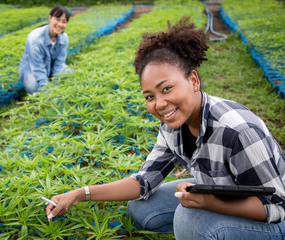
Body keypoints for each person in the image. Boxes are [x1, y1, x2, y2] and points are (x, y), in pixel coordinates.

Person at [45, 17, 285, 239]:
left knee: (189, 219)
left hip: (274, 220)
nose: (159, 104)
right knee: (142, 208)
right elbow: (143, 182)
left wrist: (210, 204)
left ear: (193, 80)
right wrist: (79, 193)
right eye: (150, 96)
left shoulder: (237, 130)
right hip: (224, 193)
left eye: (167, 89)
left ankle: (205, 230)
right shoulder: (172, 126)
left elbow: (276, 206)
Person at [19, 6, 70, 94]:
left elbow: (59, 64)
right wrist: (49, 91)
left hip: (51, 68)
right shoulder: (35, 38)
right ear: (50, 18)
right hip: (32, 69)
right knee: (33, 87)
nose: (60, 24)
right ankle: (44, 86)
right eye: (57, 19)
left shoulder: (64, 38)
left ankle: (49, 82)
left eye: (64, 22)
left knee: (69, 74)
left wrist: (56, 85)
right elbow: (37, 68)